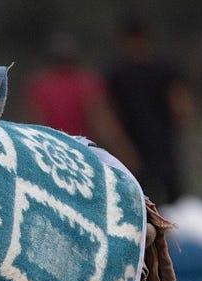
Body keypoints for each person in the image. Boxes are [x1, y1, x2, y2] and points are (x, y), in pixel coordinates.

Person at [22, 32, 140, 172]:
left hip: (50, 154)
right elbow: (103, 126)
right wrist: (124, 154)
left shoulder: (38, 85)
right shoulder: (88, 83)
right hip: (83, 155)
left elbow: (35, 126)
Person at [105, 16, 192, 205]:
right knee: (171, 203)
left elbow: (110, 113)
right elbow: (181, 107)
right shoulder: (164, 68)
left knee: (135, 203)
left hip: (136, 149)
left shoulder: (118, 72)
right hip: (156, 147)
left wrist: (119, 145)